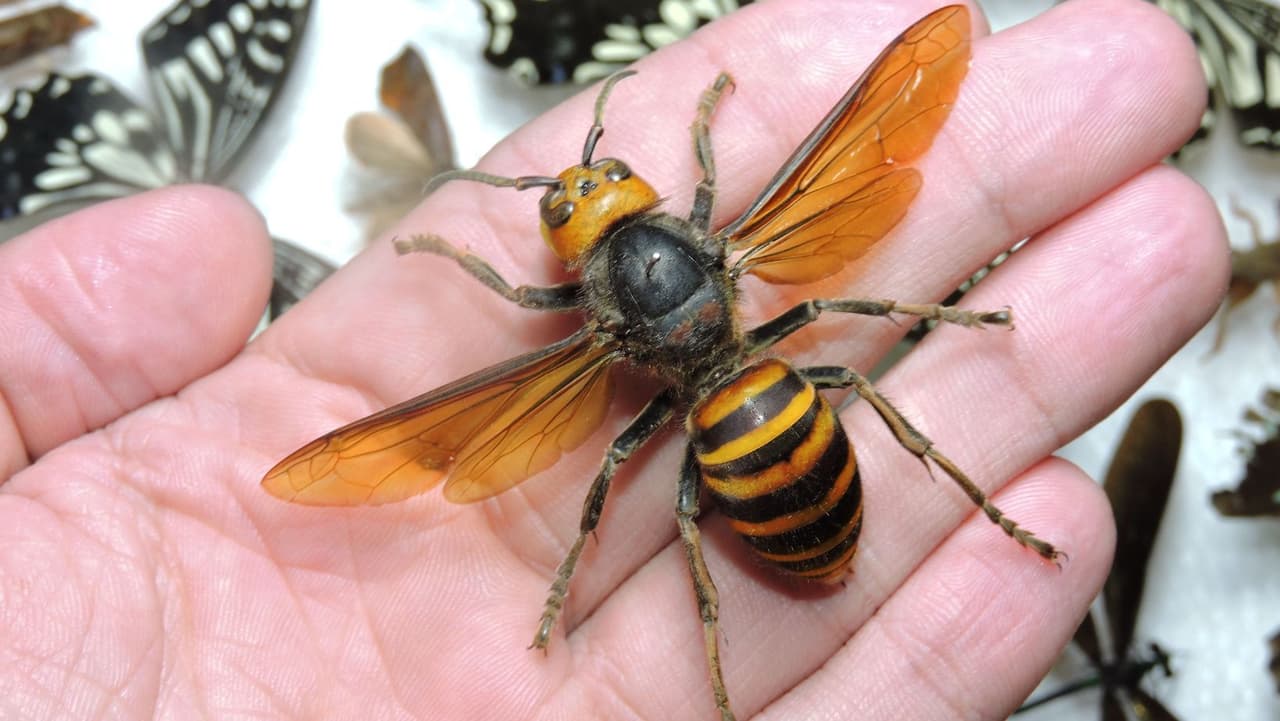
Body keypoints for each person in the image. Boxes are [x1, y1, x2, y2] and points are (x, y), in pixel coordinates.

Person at [0, 1, 1223, 718]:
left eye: (592, 185)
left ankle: (709, 644)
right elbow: (806, 251)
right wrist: (953, 317)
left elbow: (557, 398)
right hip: (766, 409)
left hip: (737, 442)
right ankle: (968, 495)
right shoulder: (722, 238)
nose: (588, 189)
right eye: (575, 195)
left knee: (663, 501)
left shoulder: (588, 337)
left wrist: (455, 251)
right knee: (856, 376)